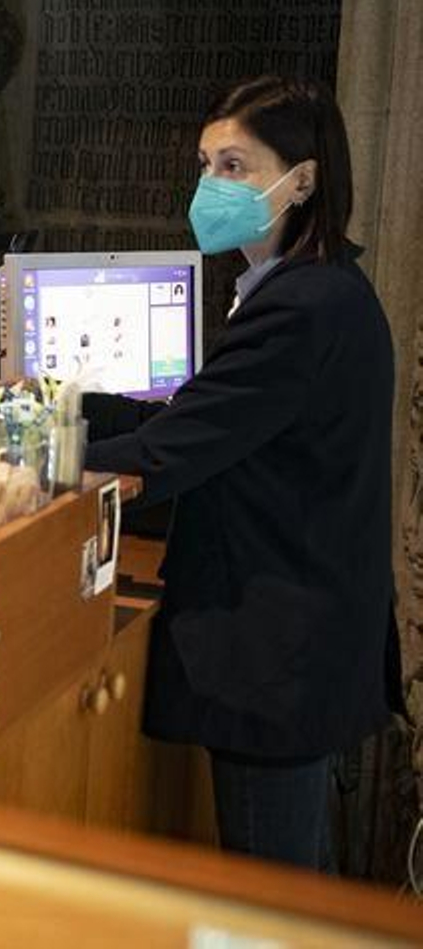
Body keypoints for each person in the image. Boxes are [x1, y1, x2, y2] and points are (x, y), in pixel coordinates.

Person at [81, 75, 400, 870]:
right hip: (307, 640)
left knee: (269, 898)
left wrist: (18, 452)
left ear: (303, 180)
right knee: (295, 888)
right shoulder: (310, 289)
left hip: (278, 655)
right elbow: (196, 420)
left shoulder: (302, 307)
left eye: (235, 166)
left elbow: (167, 454)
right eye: (205, 164)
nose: (210, 186)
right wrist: (58, 405)